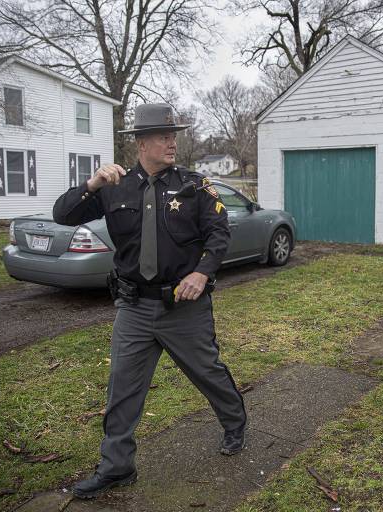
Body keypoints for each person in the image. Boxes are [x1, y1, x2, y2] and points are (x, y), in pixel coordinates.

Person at [52, 103, 247, 500]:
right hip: (134, 308)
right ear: (141, 143)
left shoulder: (194, 185)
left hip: (183, 306)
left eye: (174, 135)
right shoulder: (114, 187)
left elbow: (219, 234)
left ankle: (234, 421)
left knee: (207, 372)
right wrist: (91, 185)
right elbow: (63, 214)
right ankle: (116, 467)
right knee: (122, 388)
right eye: (163, 135)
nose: (172, 141)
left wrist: (201, 272)